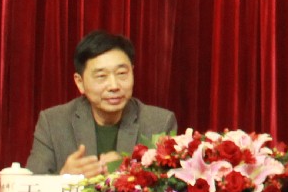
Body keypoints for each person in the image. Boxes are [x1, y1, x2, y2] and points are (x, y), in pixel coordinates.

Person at [25, 31, 179, 176]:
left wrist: (127, 173)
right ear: (80, 82)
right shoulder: (53, 122)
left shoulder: (159, 123)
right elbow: (30, 186)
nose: (114, 86)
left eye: (121, 74)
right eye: (101, 76)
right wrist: (64, 178)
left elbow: (169, 189)